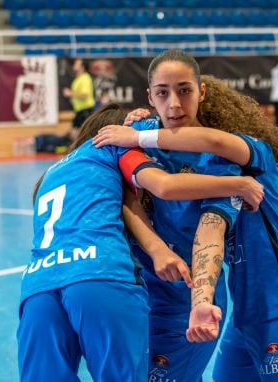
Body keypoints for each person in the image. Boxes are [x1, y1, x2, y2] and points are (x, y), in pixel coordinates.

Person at [95, 74, 278, 381]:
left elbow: (212, 142)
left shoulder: (255, 154)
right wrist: (137, 122)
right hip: (244, 315)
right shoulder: (215, 176)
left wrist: (139, 137)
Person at [17, 103, 264, 382]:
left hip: (38, 286)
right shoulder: (116, 145)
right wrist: (239, 185)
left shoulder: (51, 173)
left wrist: (156, 249)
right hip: (101, 274)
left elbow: (122, 203)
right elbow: (163, 184)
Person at [95, 49, 250, 382]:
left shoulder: (220, 160)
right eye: (162, 93)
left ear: (201, 91)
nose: (174, 104)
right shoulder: (134, 133)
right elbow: (119, 197)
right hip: (131, 297)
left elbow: (210, 233)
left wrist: (201, 301)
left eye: (184, 90)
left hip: (183, 304)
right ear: (149, 97)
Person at [62, 58, 95, 140]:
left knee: (78, 135)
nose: (74, 65)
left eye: (77, 64)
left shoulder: (85, 78)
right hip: (79, 110)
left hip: (85, 110)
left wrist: (70, 93)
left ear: (82, 66)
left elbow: (85, 95)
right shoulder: (78, 79)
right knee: (75, 134)